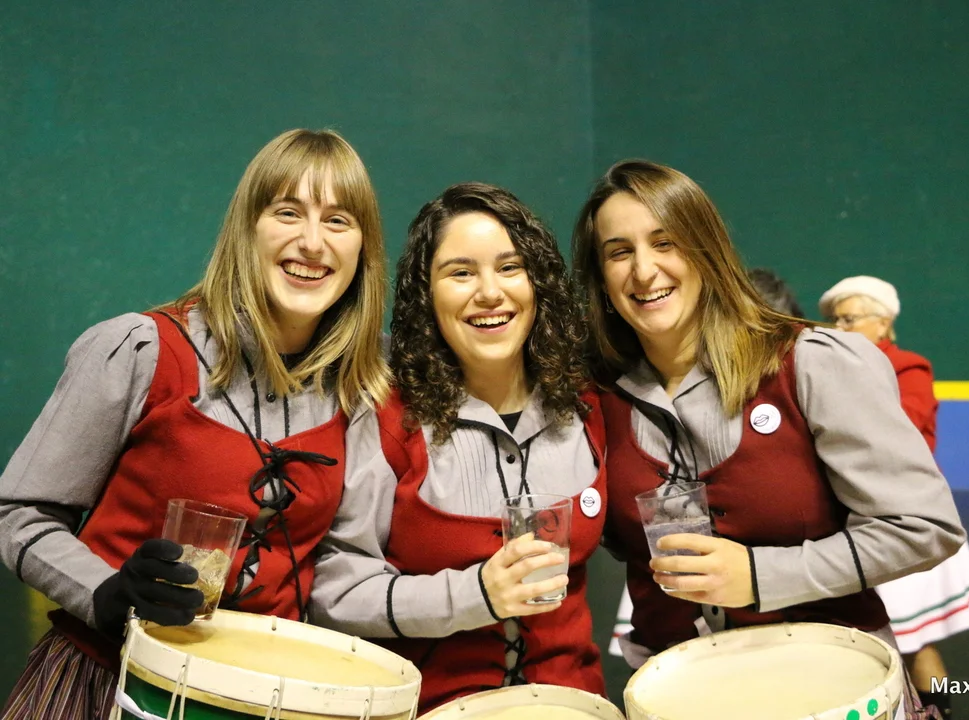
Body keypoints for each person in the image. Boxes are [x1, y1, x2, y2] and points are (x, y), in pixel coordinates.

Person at [0, 128, 390, 720]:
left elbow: (342, 574)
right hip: (104, 684)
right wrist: (106, 592)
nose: (313, 243)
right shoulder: (140, 348)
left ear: (363, 248)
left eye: (338, 220)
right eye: (288, 212)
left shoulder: (360, 389)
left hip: (257, 703)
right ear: (247, 228)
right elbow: (18, 514)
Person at [571, 160, 966, 718]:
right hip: (681, 692)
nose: (644, 269)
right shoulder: (596, 397)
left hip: (832, 686)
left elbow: (925, 527)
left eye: (665, 242)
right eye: (619, 252)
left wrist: (760, 576)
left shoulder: (812, 362)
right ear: (600, 277)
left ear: (706, 250)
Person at [309, 183, 606, 713]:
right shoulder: (386, 418)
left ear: (538, 282)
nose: (490, 293)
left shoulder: (587, 405)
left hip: (572, 705)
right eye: (461, 273)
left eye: (510, 267)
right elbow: (335, 595)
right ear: (426, 294)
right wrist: (476, 595)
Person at [819, 275, 969, 719]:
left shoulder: (908, 368)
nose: (838, 327)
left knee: (916, 640)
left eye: (849, 318)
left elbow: (903, 431)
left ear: (883, 323)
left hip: (902, 521)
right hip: (849, 523)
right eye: (835, 319)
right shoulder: (827, 367)